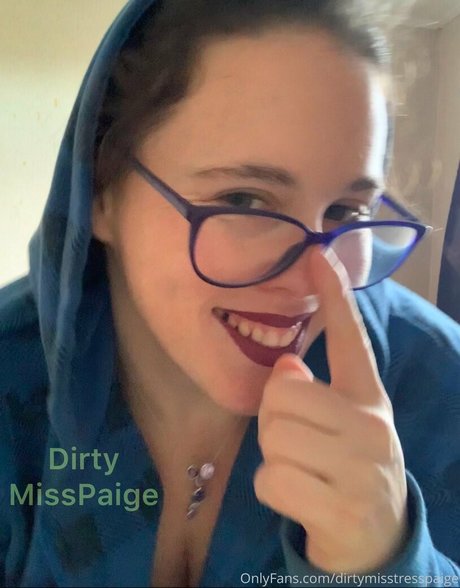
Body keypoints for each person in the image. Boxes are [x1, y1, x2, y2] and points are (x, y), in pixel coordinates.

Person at [0, 0, 459, 586]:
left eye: (346, 211)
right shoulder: (13, 383)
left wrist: (390, 562)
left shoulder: (441, 390)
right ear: (100, 192)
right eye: (243, 200)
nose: (313, 280)